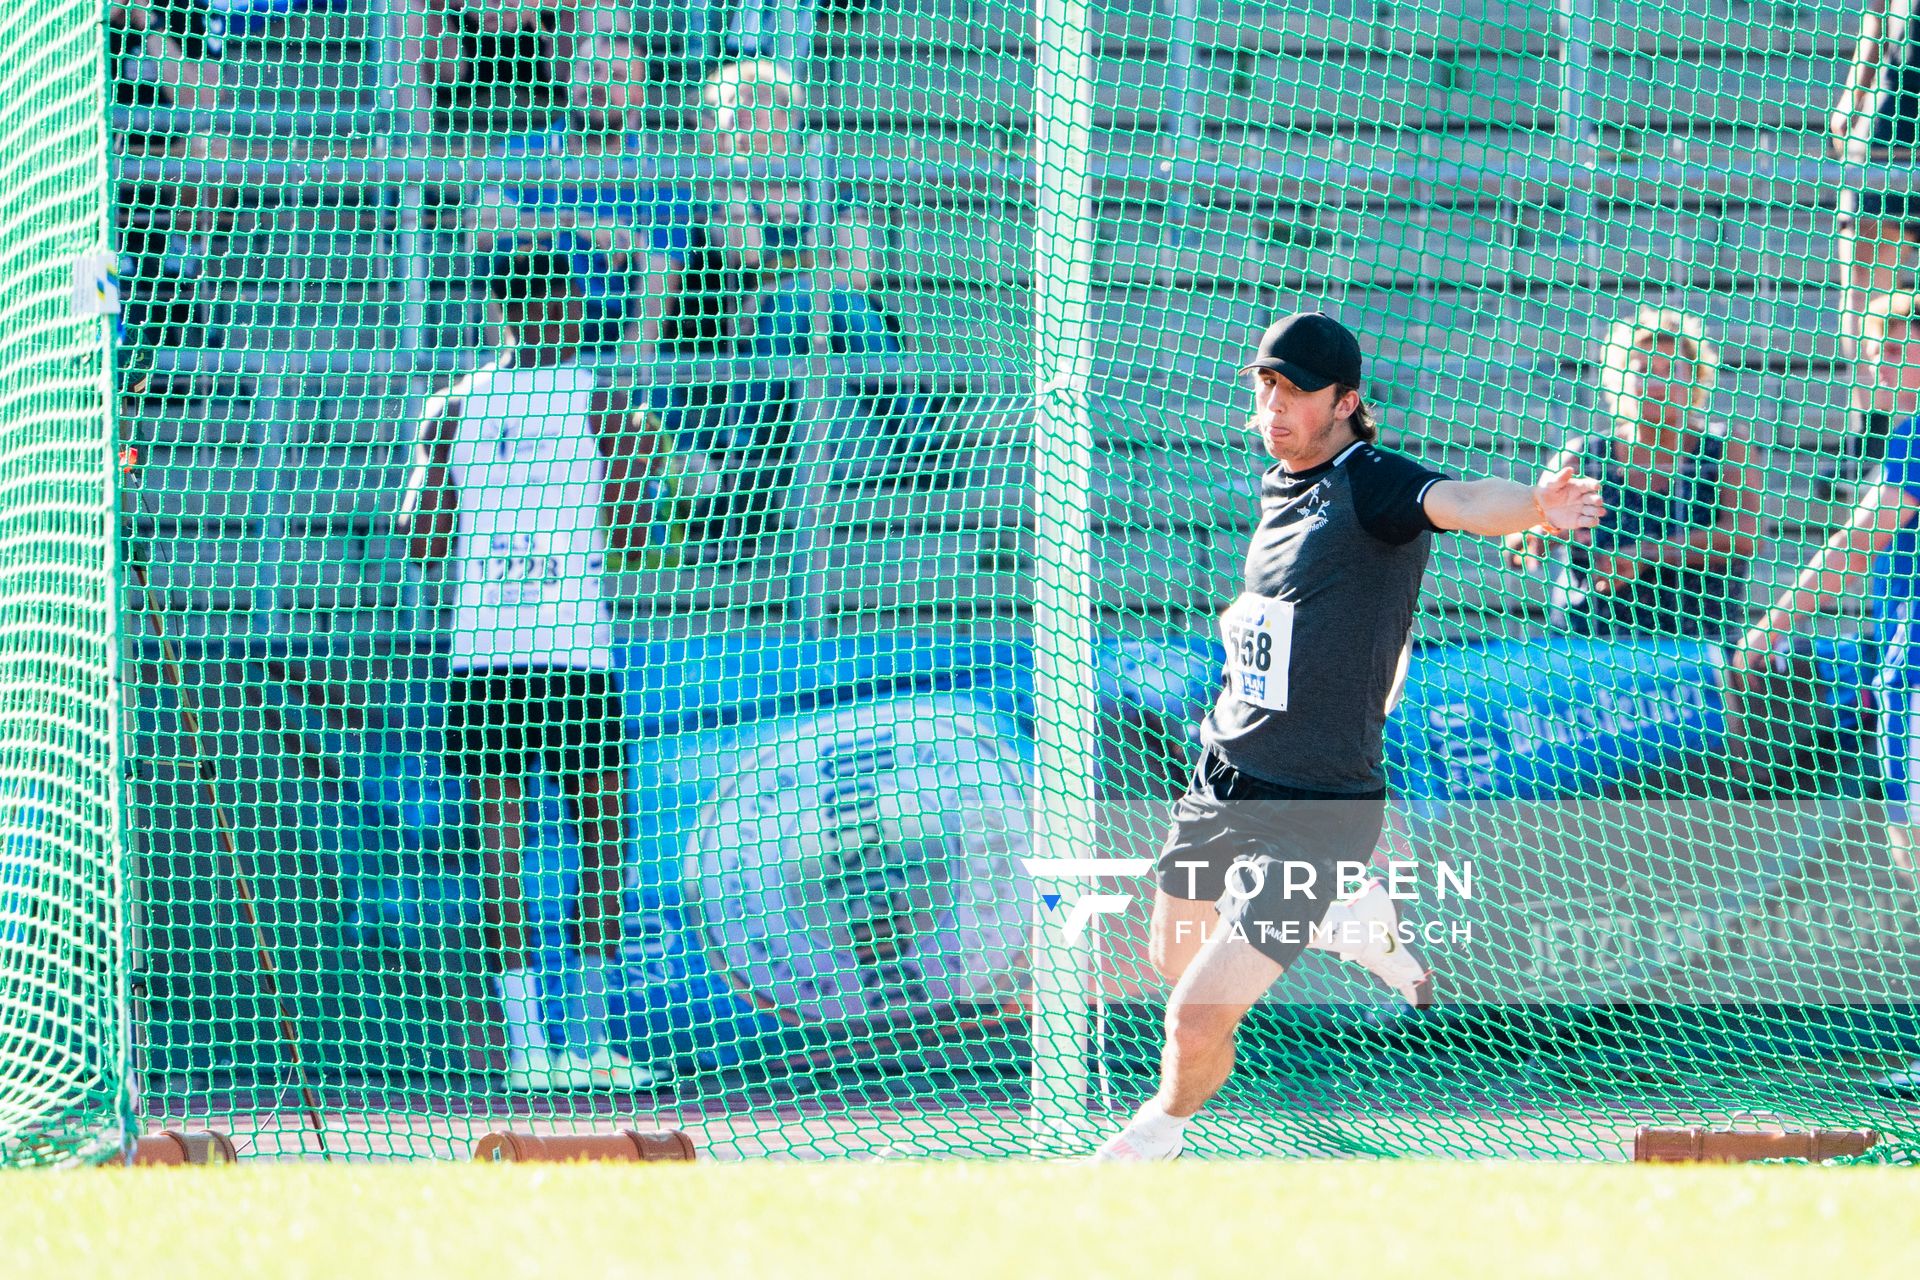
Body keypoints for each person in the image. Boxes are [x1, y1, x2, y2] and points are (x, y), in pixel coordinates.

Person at [1090, 312, 1606, 1161]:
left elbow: (1463, 501)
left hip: (1318, 808)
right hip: (1221, 777)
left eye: (1296, 391)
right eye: (1266, 387)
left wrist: (1537, 509)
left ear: (1347, 402)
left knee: (1195, 1015)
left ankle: (1160, 1131)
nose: (1275, 406)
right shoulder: (1278, 486)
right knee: (1168, 957)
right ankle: (1342, 920)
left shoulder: (1374, 482)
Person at [395, 244, 659, 1092]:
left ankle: (536, 1048)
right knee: (595, 843)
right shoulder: (602, 402)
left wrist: (462, 481)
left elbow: (419, 538)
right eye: (567, 296)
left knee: (511, 850)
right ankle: (571, 1043)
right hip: (567, 653)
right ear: (534, 306)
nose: (580, 311)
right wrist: (636, 468)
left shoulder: (455, 405)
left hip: (490, 656)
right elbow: (629, 540)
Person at [1730, 289, 1920, 1101]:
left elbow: (1859, 541)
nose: (1872, 364)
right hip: (1898, 675)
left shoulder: (1915, 437)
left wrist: (1770, 627)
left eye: (1889, 348)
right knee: (1908, 860)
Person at [1504, 309, 1761, 641]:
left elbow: (1744, 536)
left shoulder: (1725, 447)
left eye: (1671, 370)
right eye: (1642, 370)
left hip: (1695, 644)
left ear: (1695, 379)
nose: (1656, 382)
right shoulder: (1583, 456)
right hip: (1588, 645)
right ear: (1617, 380)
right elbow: (1519, 542)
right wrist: (1542, 534)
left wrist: (1647, 553)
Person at [1831, 0, 1920, 487]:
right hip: (1895, 112)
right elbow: (1878, 11)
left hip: (1896, 113)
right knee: (1865, 292)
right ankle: (1871, 439)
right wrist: (1854, 91)